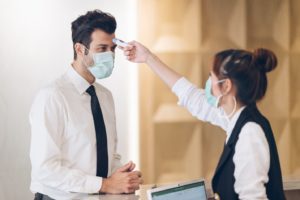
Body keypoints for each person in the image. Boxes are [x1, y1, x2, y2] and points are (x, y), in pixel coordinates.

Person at [121, 41, 285, 200]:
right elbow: (192, 97)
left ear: (226, 86)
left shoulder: (249, 131)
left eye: (211, 76)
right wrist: (148, 58)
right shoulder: (236, 120)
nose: (208, 83)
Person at [29, 10, 142, 200]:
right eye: (102, 48)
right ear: (80, 49)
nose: (110, 55)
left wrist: (122, 177)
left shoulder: (105, 96)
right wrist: (105, 184)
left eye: (112, 49)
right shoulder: (52, 97)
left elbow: (108, 154)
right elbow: (45, 169)